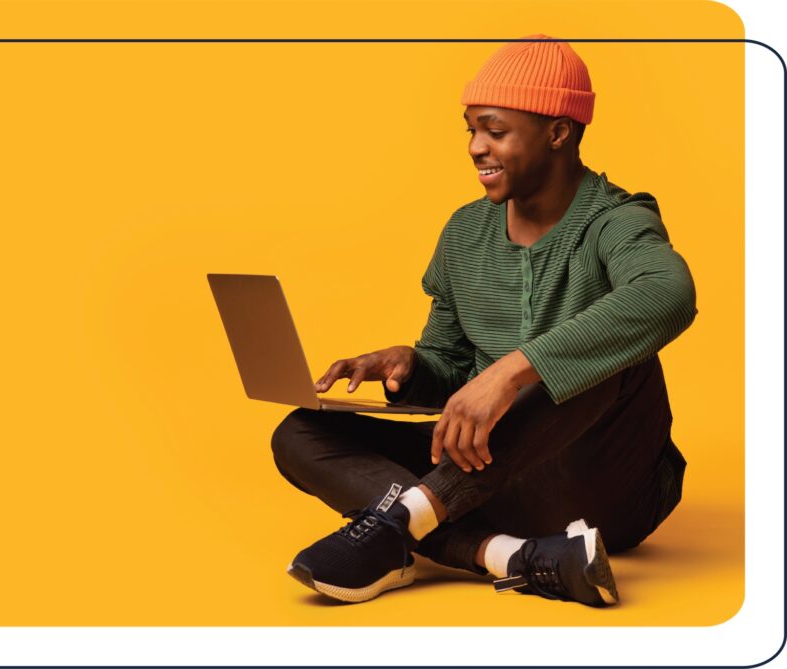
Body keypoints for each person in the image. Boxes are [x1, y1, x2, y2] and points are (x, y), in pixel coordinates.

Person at [270, 35, 696, 607]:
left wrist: (515, 370)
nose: (475, 147)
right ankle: (516, 557)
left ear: (558, 132)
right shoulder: (464, 234)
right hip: (484, 480)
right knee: (299, 433)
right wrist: (411, 367)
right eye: (470, 130)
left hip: (604, 487)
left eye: (495, 130)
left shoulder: (615, 220)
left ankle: (401, 523)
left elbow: (668, 292)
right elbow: (453, 373)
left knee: (614, 358)